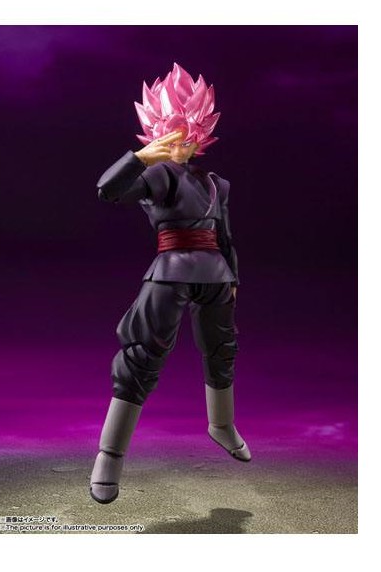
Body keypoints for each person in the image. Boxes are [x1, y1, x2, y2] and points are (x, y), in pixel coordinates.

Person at [90, 63, 250, 505]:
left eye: (189, 135)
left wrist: (233, 276)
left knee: (222, 351)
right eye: (171, 135)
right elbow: (108, 191)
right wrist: (140, 159)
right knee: (141, 356)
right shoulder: (158, 175)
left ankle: (222, 425)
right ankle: (109, 456)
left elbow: (225, 236)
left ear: (201, 135)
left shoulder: (216, 184)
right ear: (157, 133)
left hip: (215, 275)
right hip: (170, 271)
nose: (181, 143)